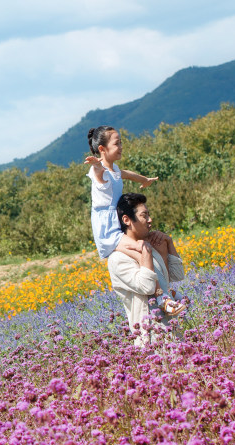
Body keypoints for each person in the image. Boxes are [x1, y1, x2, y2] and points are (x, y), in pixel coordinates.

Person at [86, 125, 184, 315]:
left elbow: (126, 174)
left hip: (117, 223)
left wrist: (143, 180)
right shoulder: (99, 171)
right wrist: (96, 165)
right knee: (141, 250)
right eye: (117, 143)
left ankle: (166, 292)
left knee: (145, 248)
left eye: (121, 142)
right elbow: (98, 173)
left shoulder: (114, 169)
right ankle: (162, 296)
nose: (121, 146)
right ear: (102, 149)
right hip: (108, 230)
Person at [108, 193, 186, 345]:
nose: (150, 220)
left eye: (149, 215)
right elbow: (148, 286)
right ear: (127, 220)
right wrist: (145, 254)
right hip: (151, 338)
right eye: (144, 215)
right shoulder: (118, 259)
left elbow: (177, 275)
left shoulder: (150, 248)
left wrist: (168, 244)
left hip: (173, 331)